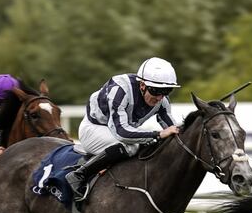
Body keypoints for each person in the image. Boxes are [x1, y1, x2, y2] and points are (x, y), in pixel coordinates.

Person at [65, 57, 182, 200]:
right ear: (143, 85)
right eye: (156, 91)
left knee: (148, 145)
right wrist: (158, 134)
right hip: (94, 129)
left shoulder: (161, 100)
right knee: (130, 147)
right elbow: (122, 133)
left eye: (166, 91)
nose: (160, 97)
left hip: (118, 131)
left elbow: (173, 129)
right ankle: (79, 174)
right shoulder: (120, 91)